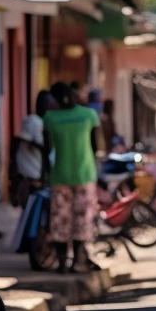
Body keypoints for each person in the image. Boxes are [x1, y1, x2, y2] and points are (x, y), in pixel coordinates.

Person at [43, 81, 103, 273]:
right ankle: (77, 261)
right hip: (85, 174)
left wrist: (44, 175)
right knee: (82, 221)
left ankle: (62, 262)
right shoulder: (88, 115)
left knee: (60, 221)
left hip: (59, 175)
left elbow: (47, 149)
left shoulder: (49, 118)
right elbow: (97, 146)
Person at [12, 90, 51, 208]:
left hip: (40, 173)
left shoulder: (47, 122)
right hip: (31, 172)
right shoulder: (33, 121)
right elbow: (21, 140)